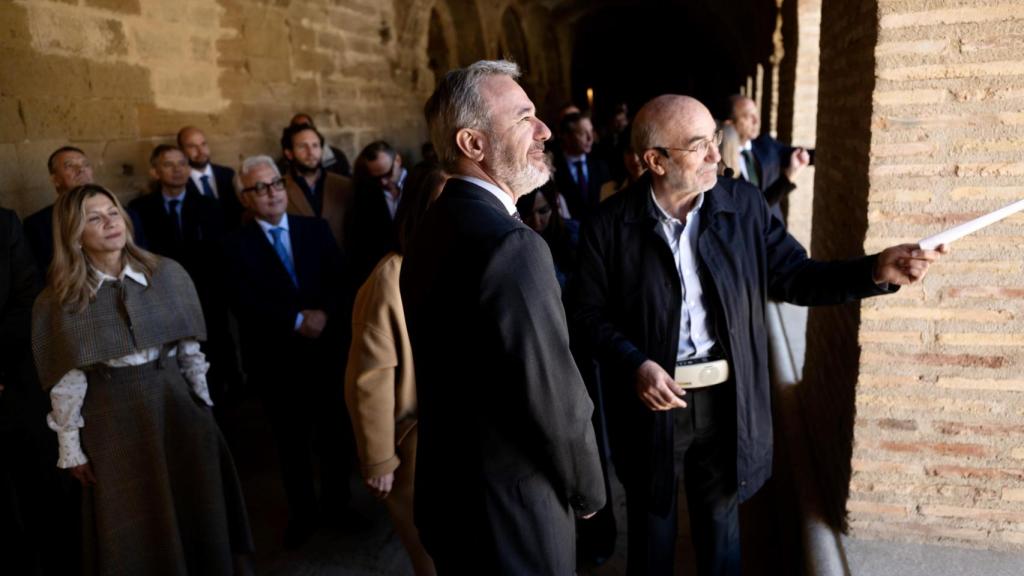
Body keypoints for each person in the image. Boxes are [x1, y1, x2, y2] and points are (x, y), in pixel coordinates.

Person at [571, 94, 945, 576]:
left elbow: (798, 276)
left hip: (729, 401)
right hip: (650, 404)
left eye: (715, 140)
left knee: (722, 536)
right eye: (698, 145)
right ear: (654, 161)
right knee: (651, 530)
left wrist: (874, 270)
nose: (715, 155)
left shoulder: (743, 205)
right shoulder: (608, 225)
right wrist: (634, 363)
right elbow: (585, 315)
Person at [400, 60, 605, 573]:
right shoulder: (513, 246)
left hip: (453, 502)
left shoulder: (435, 225)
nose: (544, 130)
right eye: (523, 118)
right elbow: (554, 398)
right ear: (473, 144)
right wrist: (589, 491)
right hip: (513, 514)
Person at [31, 184, 253, 575]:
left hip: (176, 408)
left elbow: (189, 352)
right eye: (94, 219)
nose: (109, 223)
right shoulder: (60, 299)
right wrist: (72, 449)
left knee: (197, 509)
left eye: (112, 212)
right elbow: (67, 382)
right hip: (112, 420)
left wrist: (203, 408)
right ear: (74, 234)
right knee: (133, 522)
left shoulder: (167, 274)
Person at [222, 156, 357, 548]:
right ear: (245, 200)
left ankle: (339, 505)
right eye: (259, 188)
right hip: (277, 358)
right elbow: (242, 299)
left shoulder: (313, 229)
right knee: (291, 442)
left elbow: (341, 280)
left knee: (335, 433)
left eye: (276, 184)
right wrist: (296, 319)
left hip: (326, 350)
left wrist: (325, 314)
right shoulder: (233, 245)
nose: (271, 193)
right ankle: (304, 515)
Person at [345, 161, 446, 576]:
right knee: (434, 559)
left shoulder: (464, 258)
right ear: (422, 205)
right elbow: (370, 378)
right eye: (447, 199)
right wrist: (379, 460)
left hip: (471, 440)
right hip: (418, 445)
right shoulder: (390, 275)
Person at [130, 145, 242, 416]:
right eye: (169, 164)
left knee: (215, 358)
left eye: (183, 163)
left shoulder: (209, 206)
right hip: (162, 299)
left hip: (207, 297)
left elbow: (221, 253)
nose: (178, 169)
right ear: (155, 171)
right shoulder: (140, 209)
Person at [22, 147, 146, 280]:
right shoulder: (36, 225)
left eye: (85, 164)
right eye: (69, 166)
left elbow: (142, 258)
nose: (81, 169)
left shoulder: (126, 214)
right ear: (54, 179)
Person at [728, 95, 811, 222]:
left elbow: (802, 154)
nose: (756, 120)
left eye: (756, 114)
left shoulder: (767, 144)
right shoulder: (721, 162)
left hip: (774, 231)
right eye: (747, 116)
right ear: (730, 123)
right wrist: (788, 177)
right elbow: (754, 208)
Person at [281, 122, 356, 251]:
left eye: (315, 145)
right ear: (289, 153)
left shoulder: (344, 185)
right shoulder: (279, 188)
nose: (311, 152)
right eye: (302, 147)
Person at [349, 141, 407, 286]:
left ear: (397, 160)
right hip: (384, 277)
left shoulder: (421, 184)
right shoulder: (366, 194)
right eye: (376, 177)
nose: (383, 181)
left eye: (387, 173)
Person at [177, 126, 246, 230]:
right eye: (192, 146)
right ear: (181, 151)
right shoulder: (179, 183)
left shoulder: (228, 174)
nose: (201, 151)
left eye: (203, 144)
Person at [515, 182, 577, 290]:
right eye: (528, 214)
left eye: (543, 211)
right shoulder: (515, 245)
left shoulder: (575, 233)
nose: (536, 222)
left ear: (554, 206)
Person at [553, 112, 612, 221]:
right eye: (582, 133)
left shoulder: (601, 164)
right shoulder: (553, 168)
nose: (590, 138)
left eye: (591, 131)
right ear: (567, 137)